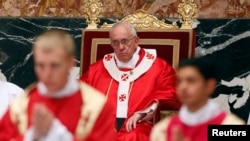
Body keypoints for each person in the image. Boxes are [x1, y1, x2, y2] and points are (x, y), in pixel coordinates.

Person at [0, 29, 115, 141]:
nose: (47, 73)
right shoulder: (23, 103)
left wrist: (58, 135)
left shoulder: (96, 106)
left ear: (71, 63)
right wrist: (33, 136)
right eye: (41, 65)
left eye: (55, 65)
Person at [80, 22, 180, 141]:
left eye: (125, 41)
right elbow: (79, 91)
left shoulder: (158, 67)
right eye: (115, 43)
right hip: (104, 125)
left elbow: (169, 93)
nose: (121, 47)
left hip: (139, 125)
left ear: (136, 41)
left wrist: (143, 113)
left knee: (134, 136)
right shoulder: (97, 69)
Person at [150, 56, 245, 141]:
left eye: (191, 81)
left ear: (210, 85)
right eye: (179, 82)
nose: (183, 87)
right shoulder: (163, 129)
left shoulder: (232, 126)